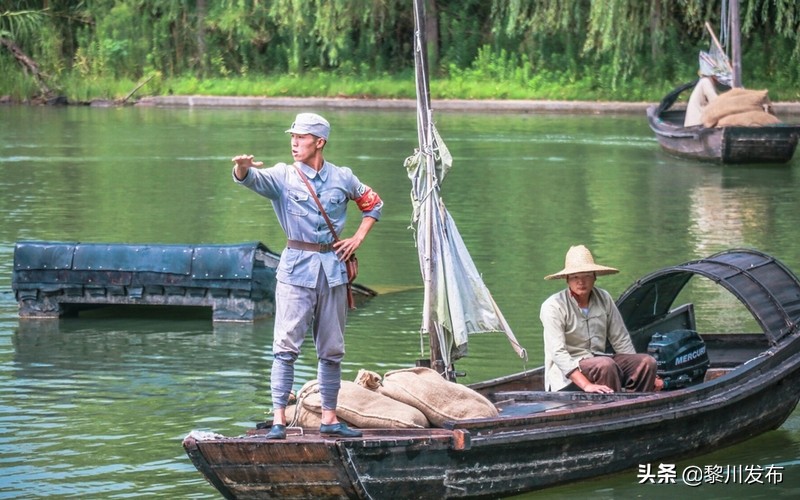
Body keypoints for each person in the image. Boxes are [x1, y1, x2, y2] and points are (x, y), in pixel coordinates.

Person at [231, 112, 383, 439]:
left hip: (333, 272)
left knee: (332, 349)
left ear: (319, 142)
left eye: (301, 137)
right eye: (292, 137)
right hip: (295, 271)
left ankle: (330, 418)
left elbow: (373, 204)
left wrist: (357, 238)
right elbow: (252, 179)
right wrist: (242, 168)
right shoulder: (283, 176)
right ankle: (278, 421)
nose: (294, 143)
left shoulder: (342, 177)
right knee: (285, 348)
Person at [539, 245, 662, 393]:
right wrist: (586, 385)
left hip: (601, 363)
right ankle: (612, 404)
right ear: (567, 279)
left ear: (595, 277)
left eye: (586, 276)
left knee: (647, 362)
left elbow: (621, 339)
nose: (581, 281)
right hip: (567, 375)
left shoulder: (604, 298)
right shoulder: (553, 306)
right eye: (575, 277)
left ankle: (636, 401)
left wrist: (643, 372)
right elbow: (558, 353)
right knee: (605, 365)